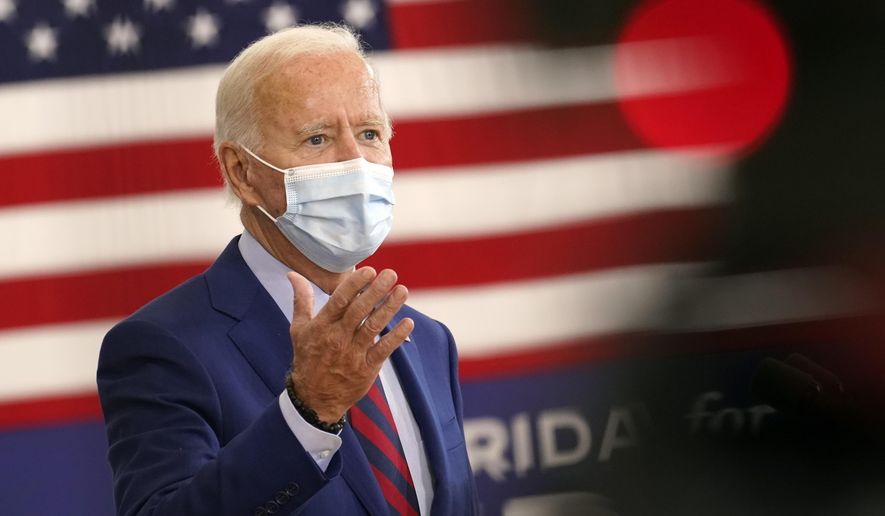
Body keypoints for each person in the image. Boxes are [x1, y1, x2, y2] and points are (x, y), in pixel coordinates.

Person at [97, 24, 477, 516]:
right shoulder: (163, 347)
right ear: (242, 171)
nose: (356, 163)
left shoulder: (427, 340)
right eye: (317, 139)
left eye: (369, 133)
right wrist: (308, 413)